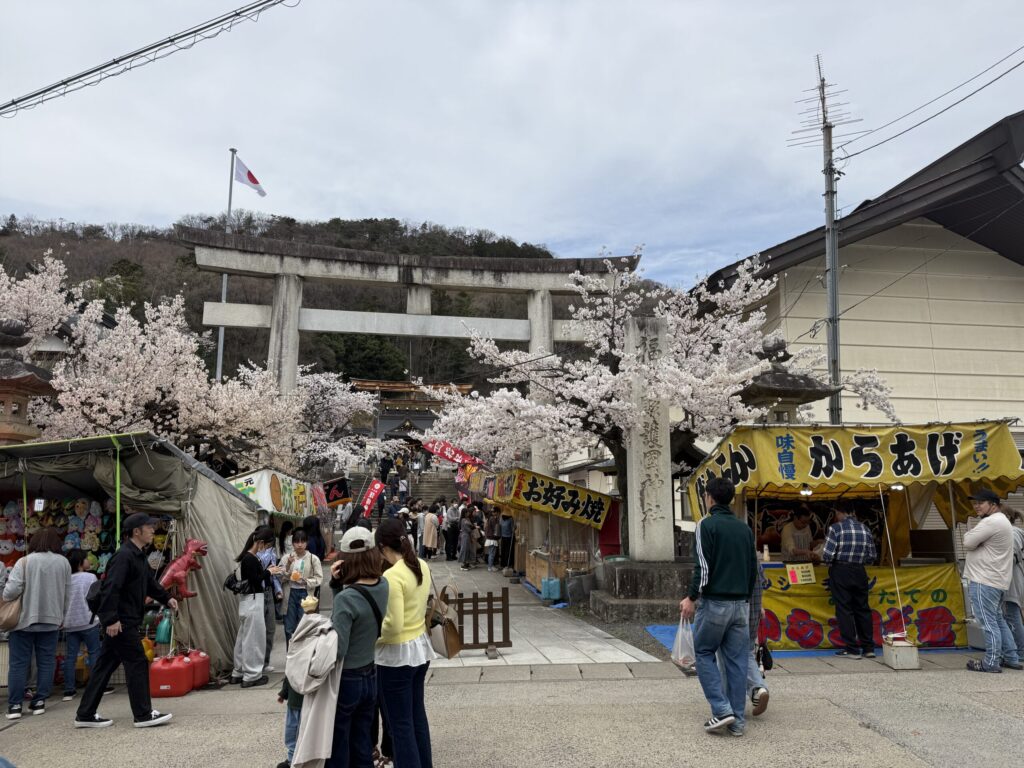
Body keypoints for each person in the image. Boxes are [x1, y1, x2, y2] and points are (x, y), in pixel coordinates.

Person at [74, 513, 178, 728]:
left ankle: (85, 714)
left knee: (104, 667)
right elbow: (111, 588)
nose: (153, 530)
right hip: (121, 622)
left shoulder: (137, 555)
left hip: (125, 620)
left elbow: (149, 583)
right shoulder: (124, 556)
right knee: (137, 662)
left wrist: (167, 598)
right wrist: (111, 619)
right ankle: (143, 714)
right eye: (149, 527)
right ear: (136, 531)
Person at [680, 476, 756, 736]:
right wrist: (746, 597)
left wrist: (692, 597)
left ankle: (721, 709)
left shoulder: (706, 525)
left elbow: (702, 566)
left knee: (703, 652)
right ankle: (737, 721)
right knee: (737, 661)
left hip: (715, 602)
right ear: (731, 499)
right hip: (741, 603)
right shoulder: (744, 529)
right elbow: (753, 568)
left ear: (709, 498)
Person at [325, 526, 390, 768]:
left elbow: (339, 649)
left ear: (344, 560)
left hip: (347, 678)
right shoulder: (383, 585)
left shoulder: (346, 598)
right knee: (362, 740)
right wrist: (337, 585)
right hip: (370, 673)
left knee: (338, 742)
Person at [375, 518, 436, 768]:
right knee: (416, 717)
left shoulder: (392, 576)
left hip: (396, 656)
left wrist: (372, 638)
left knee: (400, 725)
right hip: (419, 647)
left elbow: (393, 626)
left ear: (382, 547)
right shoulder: (421, 565)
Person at [4, 527, 72, 720]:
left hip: (24, 620)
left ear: (34, 542)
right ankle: (40, 701)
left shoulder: (24, 561)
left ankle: (15, 705)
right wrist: (62, 616)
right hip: (52, 620)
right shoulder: (64, 563)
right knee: (46, 661)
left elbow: (10, 592)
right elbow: (67, 594)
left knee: (18, 663)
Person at [962, 489, 1020, 672]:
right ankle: (1011, 657)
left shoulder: (991, 521)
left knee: (988, 622)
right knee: (998, 620)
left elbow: (967, 541)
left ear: (993, 504)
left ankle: (991, 661)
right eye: (975, 503)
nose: (976, 506)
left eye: (981, 503)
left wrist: (974, 540)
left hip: (984, 579)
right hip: (996, 579)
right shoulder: (1001, 521)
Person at [821, 506, 878, 659]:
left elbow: (827, 555)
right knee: (863, 608)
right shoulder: (865, 529)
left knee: (844, 609)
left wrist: (831, 563)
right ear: (853, 512)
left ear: (840, 512)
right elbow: (872, 556)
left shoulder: (835, 528)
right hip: (860, 571)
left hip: (841, 570)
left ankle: (852, 649)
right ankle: (868, 648)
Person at [229, 526, 276, 688]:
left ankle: (238, 672)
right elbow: (256, 580)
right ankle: (252, 675)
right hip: (254, 601)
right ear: (261, 542)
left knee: (243, 638)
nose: (266, 549)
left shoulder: (246, 557)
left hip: (246, 601)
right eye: (267, 545)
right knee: (254, 640)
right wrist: (269, 572)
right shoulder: (251, 558)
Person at [61, 549, 102, 702]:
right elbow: (96, 597)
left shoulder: (66, 579)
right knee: (94, 653)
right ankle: (96, 687)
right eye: (86, 559)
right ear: (80, 562)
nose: (88, 561)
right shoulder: (90, 577)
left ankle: (69, 690)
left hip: (70, 623)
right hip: (88, 620)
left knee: (70, 656)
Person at [277, 529, 324, 645]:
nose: (299, 545)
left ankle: (303, 654)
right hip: (290, 594)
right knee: (289, 628)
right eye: (297, 542)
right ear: (292, 543)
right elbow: (279, 577)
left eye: (302, 541)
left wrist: (306, 581)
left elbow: (319, 578)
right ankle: (290, 653)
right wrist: (288, 565)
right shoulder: (286, 558)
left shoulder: (313, 558)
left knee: (304, 628)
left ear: (306, 543)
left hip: (306, 595)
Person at [257, 522, 284, 672]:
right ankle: (257, 663)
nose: (269, 547)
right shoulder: (253, 554)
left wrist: (278, 590)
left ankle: (265, 662)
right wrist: (267, 553)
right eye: (268, 543)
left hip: (269, 592)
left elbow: (273, 574)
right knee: (258, 630)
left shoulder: (272, 554)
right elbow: (262, 568)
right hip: (257, 594)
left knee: (270, 629)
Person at [1002, 507, 1024, 663]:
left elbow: (1012, 558)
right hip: (1010, 580)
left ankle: (1021, 650)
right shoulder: (1013, 532)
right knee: (1011, 615)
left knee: (1012, 615)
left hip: (1011, 581)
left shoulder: (1013, 533)